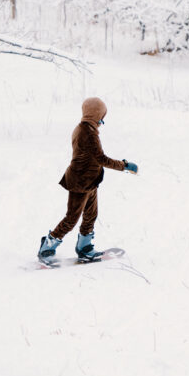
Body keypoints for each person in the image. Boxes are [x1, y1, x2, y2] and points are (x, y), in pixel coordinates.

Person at [37, 97, 138, 264]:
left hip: (90, 181)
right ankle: (48, 245)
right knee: (71, 218)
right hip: (80, 181)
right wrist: (124, 166)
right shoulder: (87, 133)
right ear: (95, 114)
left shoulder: (87, 129)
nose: (102, 121)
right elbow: (101, 159)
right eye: (101, 116)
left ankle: (84, 247)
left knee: (91, 215)